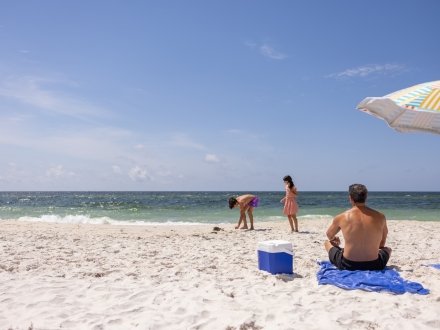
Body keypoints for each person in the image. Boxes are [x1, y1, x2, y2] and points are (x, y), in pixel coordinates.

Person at [324, 183, 392, 271]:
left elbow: (329, 235)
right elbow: (382, 243)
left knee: (327, 243)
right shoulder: (380, 216)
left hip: (348, 264)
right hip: (375, 264)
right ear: (366, 197)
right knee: (388, 249)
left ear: (350, 198)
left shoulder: (342, 217)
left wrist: (335, 240)